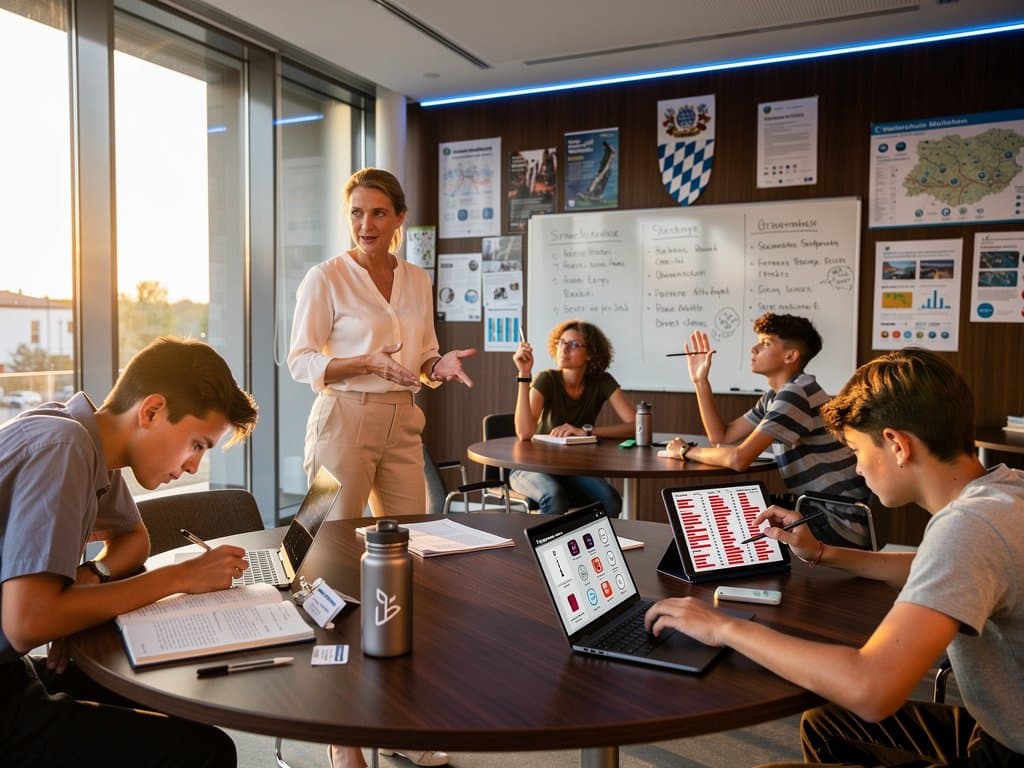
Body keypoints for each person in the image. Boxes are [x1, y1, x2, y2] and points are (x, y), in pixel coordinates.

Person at [646, 349, 1023, 766]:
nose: (858, 469)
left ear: (897, 445)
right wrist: (822, 552)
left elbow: (871, 689)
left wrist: (724, 628)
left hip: (1006, 749)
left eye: (858, 452)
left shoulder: (968, 527)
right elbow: (933, 569)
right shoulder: (1004, 490)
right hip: (998, 726)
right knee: (826, 723)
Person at [1, 335, 259, 768]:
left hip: (13, 668)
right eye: (197, 443)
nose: (195, 465)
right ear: (152, 410)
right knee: (207, 752)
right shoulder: (63, 448)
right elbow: (29, 621)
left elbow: (134, 539)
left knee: (170, 707)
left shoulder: (89, 443)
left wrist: (87, 580)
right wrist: (180, 577)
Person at [288, 167, 466, 768]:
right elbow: (300, 361)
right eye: (357, 213)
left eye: (379, 213)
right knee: (330, 560)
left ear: (399, 218)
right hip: (341, 421)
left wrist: (438, 368)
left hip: (402, 423)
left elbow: (420, 358)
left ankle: (399, 722)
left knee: (405, 566)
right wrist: (361, 359)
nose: (367, 224)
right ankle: (344, 736)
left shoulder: (415, 279)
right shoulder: (326, 277)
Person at [665, 312, 873, 547]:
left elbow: (738, 459)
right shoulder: (777, 395)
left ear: (790, 356)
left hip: (839, 521)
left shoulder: (796, 394)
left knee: (735, 520)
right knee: (734, 515)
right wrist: (700, 381)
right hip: (818, 509)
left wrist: (684, 451)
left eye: (765, 343)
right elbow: (721, 436)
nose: (754, 349)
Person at [511, 319, 635, 516]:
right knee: (555, 497)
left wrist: (585, 431)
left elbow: (636, 426)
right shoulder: (547, 379)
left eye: (574, 345)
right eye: (561, 342)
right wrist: (524, 373)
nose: (564, 349)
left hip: (573, 468)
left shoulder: (601, 381)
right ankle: (543, 547)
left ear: (591, 353)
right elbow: (524, 433)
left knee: (611, 501)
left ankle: (598, 545)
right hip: (530, 467)